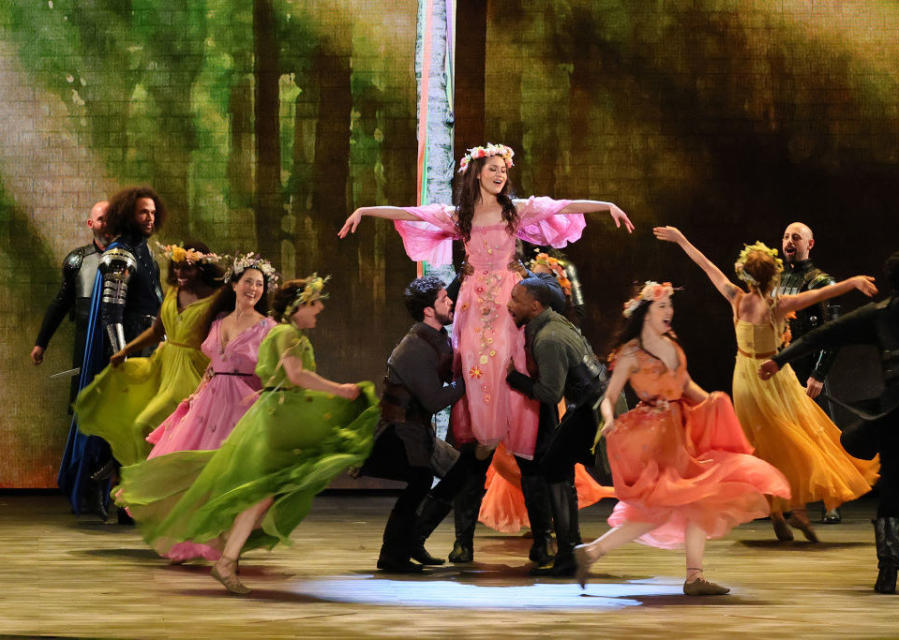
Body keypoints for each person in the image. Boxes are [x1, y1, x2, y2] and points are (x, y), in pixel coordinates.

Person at [339, 143, 632, 562]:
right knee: (477, 388)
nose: (499, 175)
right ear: (477, 172)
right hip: (476, 306)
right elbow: (413, 213)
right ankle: (464, 512)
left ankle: (545, 529)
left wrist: (607, 205)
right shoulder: (461, 217)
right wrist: (366, 211)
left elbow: (560, 205)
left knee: (516, 381)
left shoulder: (516, 210)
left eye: (503, 170)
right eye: (492, 169)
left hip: (508, 302)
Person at [116, 276, 378, 594]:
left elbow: (273, 374)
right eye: (314, 303)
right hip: (274, 422)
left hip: (274, 415)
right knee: (260, 490)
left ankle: (225, 552)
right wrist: (341, 390)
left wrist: (263, 393)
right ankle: (224, 551)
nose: (320, 309)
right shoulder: (285, 334)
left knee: (262, 493)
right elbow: (296, 374)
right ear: (298, 307)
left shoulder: (276, 331)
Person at [654, 226, 879, 543]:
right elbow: (820, 294)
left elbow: (706, 266)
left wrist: (681, 240)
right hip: (774, 376)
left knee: (767, 446)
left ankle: (780, 513)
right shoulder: (778, 306)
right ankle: (796, 511)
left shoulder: (735, 298)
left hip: (746, 378)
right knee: (793, 439)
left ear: (746, 276)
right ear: (772, 277)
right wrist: (852, 283)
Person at [573, 282, 791, 595]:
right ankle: (681, 574)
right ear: (646, 312)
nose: (669, 312)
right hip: (651, 437)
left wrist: (716, 403)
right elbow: (609, 396)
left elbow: (687, 387)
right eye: (662, 306)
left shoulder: (672, 345)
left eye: (670, 306)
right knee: (665, 507)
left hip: (678, 433)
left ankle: (687, 575)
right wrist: (608, 419)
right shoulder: (631, 353)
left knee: (694, 500)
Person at [760, 249, 899, 594]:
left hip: (897, 415)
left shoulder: (878, 314)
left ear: (891, 284)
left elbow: (821, 336)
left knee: (892, 490)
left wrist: (779, 359)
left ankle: (887, 573)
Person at [122, 254, 278, 563]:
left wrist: (266, 399)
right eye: (248, 281)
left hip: (241, 404)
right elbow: (211, 367)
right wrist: (195, 395)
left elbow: (272, 372)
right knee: (191, 470)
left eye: (259, 284)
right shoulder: (218, 321)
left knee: (225, 475)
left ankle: (221, 540)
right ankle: (188, 538)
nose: (253, 289)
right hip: (210, 401)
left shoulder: (268, 328)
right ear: (234, 284)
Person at [58, 186, 167, 517]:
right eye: (141, 212)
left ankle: (129, 503)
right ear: (127, 215)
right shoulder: (121, 253)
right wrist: (122, 357)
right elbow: (111, 311)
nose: (149, 218)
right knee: (126, 427)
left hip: (149, 345)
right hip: (131, 348)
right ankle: (108, 488)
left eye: (152, 212)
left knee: (142, 428)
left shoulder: (143, 250)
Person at [74, 242, 223, 468]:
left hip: (192, 373)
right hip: (164, 367)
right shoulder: (174, 292)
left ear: (202, 268)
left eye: (187, 268)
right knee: (156, 428)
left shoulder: (217, 299)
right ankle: (153, 480)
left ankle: (151, 479)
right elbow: (156, 332)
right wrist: (126, 350)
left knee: (146, 426)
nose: (180, 273)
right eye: (176, 267)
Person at [359, 276, 469, 573]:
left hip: (416, 430)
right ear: (428, 311)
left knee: (446, 476)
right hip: (399, 432)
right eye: (444, 299)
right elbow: (433, 399)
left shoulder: (434, 337)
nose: (450, 302)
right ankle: (393, 556)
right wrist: (470, 381)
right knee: (419, 482)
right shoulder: (414, 348)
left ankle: (408, 545)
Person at [503, 278, 609, 575]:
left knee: (552, 470)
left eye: (516, 299)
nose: (509, 304)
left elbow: (550, 393)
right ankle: (569, 551)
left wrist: (514, 378)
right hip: (590, 404)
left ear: (535, 306)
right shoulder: (554, 324)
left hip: (590, 408)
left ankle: (568, 554)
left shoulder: (548, 337)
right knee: (556, 469)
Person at [777, 222, 843, 523]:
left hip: (809, 369)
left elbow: (834, 331)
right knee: (787, 437)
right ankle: (789, 501)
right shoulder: (775, 279)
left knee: (819, 434)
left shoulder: (822, 280)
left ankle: (832, 502)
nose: (790, 241)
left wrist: (818, 373)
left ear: (810, 244)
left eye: (797, 237)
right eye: (786, 236)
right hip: (782, 369)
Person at [31, 201, 111, 406]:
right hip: (86, 344)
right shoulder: (77, 260)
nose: (108, 223)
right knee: (84, 404)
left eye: (112, 217)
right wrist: (41, 342)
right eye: (102, 218)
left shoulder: (131, 257)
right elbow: (60, 303)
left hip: (120, 344)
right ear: (90, 223)